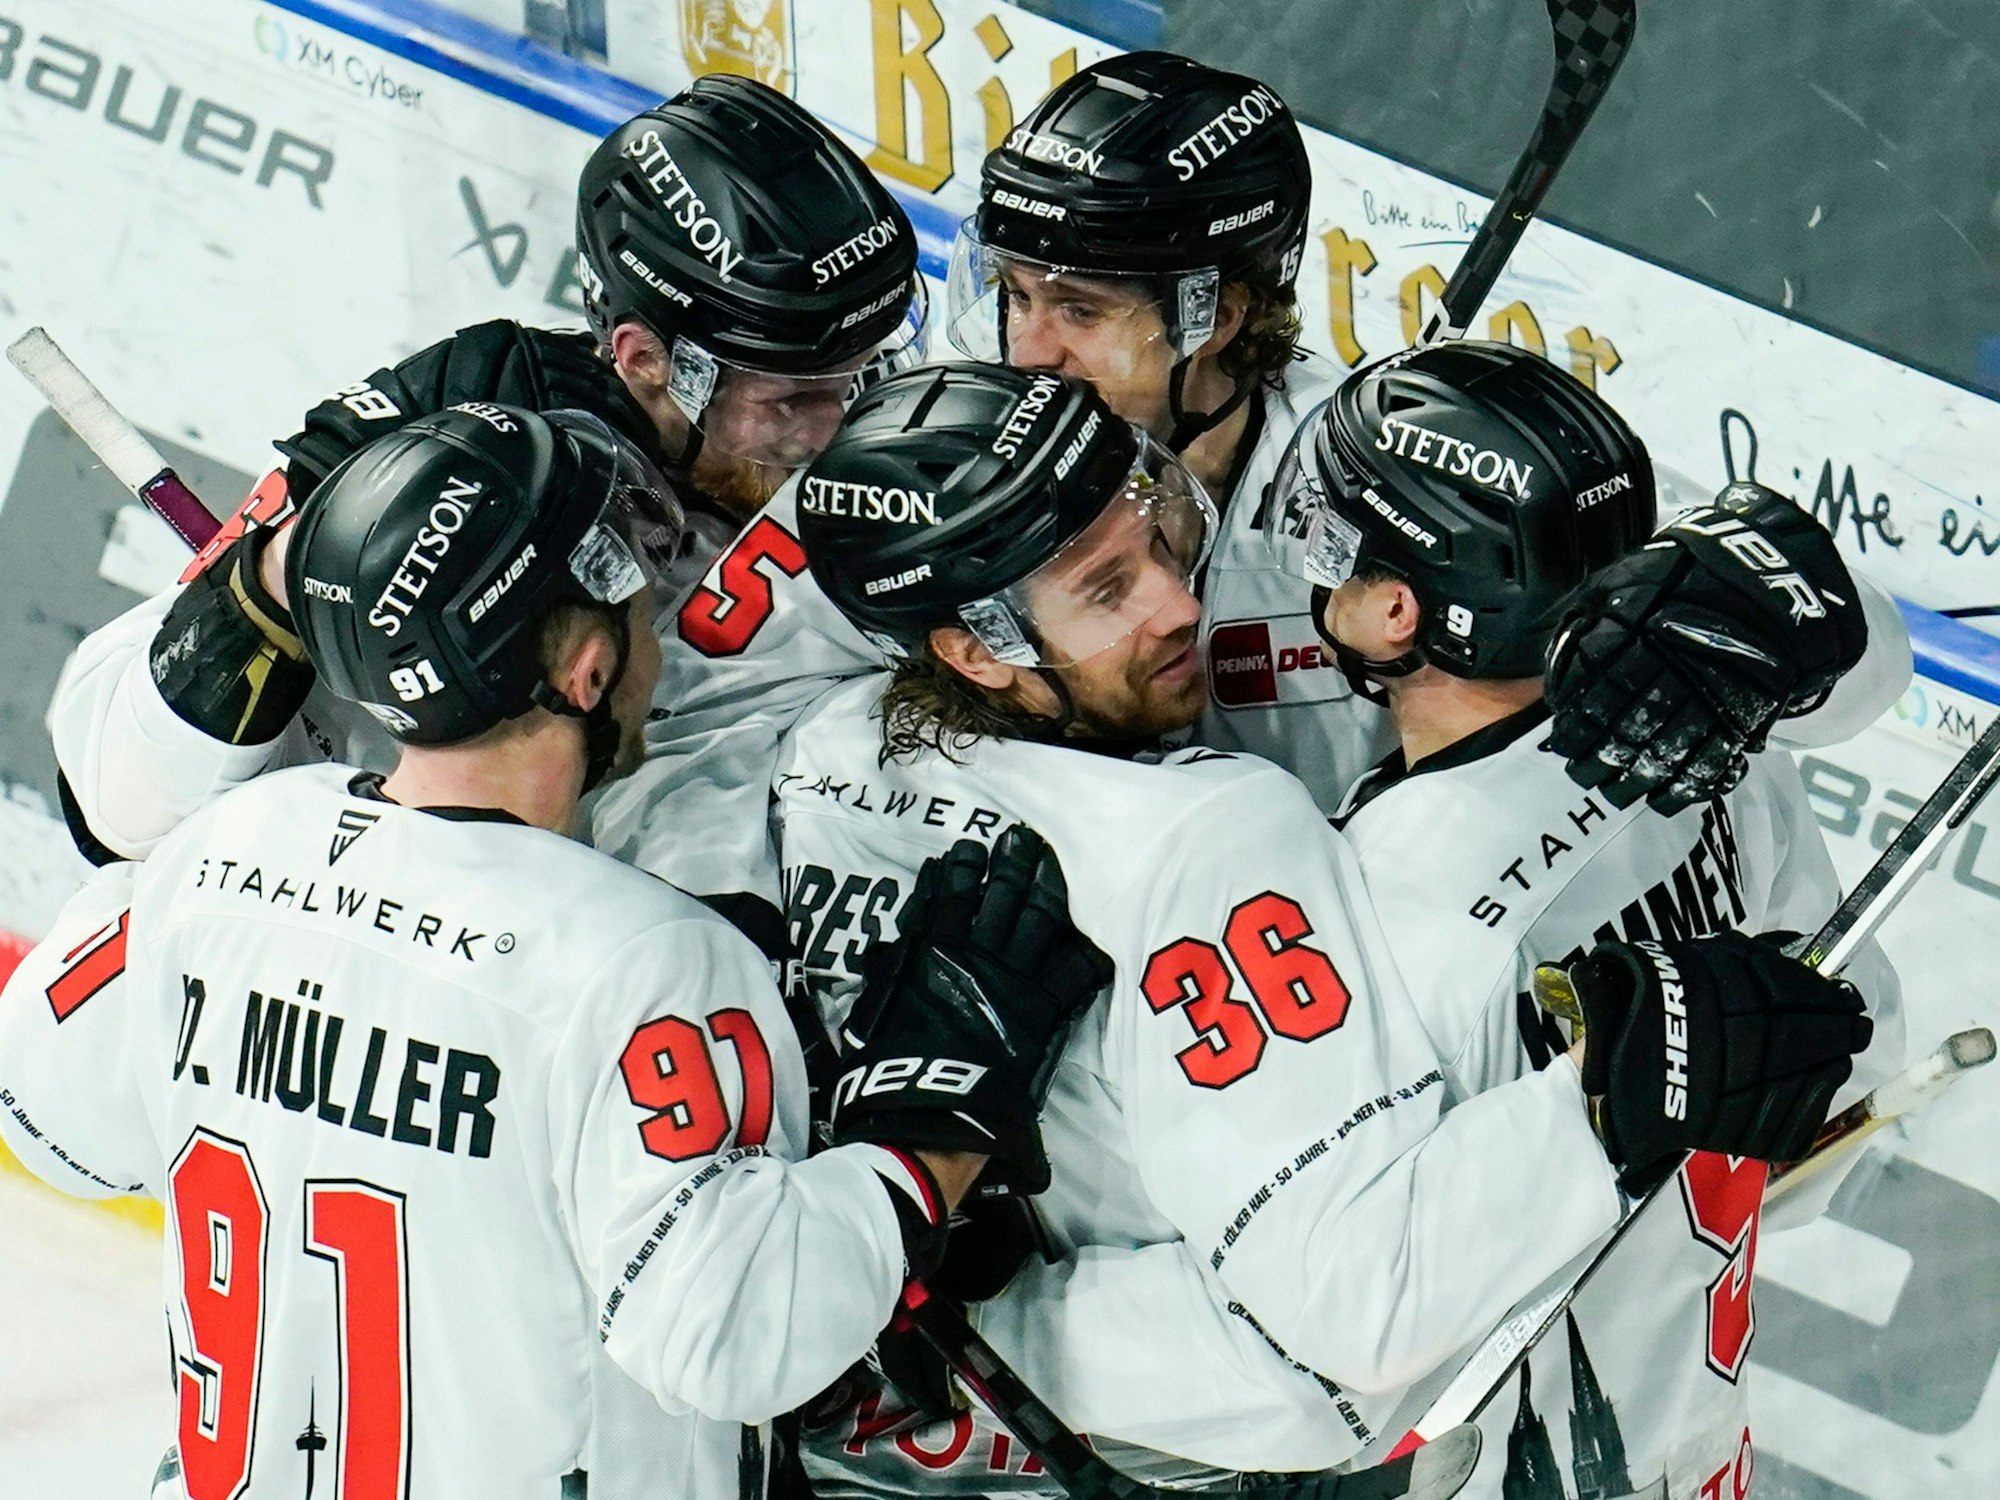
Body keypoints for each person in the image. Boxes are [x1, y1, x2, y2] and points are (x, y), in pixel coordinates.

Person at [769, 362, 1873, 1493]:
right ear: (968, 648)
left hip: (1355, 1440)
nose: (1184, 603)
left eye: (1158, 537)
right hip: (1644, 1428)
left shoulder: (837, 753)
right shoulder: (1714, 756)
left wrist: (967, 1296)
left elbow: (1329, 1356)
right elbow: (1851, 1062)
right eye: (1109, 589)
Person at [0, 405, 1104, 1499]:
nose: (656, 624)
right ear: (583, 669)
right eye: (631, 596)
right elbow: (739, 1339)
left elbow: (47, 1123)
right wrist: (931, 1117)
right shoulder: (644, 958)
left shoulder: (212, 859)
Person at [1262, 339, 1905, 1499]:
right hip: (1697, 1437)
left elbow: (1349, 1305)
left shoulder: (1379, 893)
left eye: (1334, 552)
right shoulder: (1724, 748)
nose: (1312, 574)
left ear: (1399, 609)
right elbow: (1864, 1046)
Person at [946, 51, 1912, 819]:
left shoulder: (1406, 469)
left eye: (1078, 310)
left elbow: (1864, 669)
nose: (1028, 351)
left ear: (1220, 313)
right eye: (1016, 294)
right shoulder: (958, 441)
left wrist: (1718, 613)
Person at [48, 74, 923, 889]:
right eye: (789, 397)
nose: (836, 427)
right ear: (647, 359)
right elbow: (115, 813)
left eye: (872, 365)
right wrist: (283, 567)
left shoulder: (886, 448)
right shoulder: (460, 434)